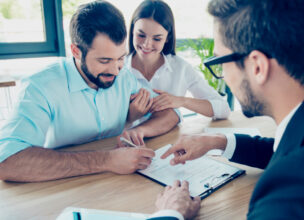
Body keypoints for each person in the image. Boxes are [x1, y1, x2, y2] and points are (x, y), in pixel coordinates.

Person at [150, 0, 304, 219]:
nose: (223, 74)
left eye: (221, 62)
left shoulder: (291, 194)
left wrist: (171, 214)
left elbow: (301, 166)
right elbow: (295, 149)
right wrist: (218, 141)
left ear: (257, 66)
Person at [0, 0, 180, 182]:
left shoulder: (125, 77)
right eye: (104, 61)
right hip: (60, 186)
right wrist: (106, 160)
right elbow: (6, 162)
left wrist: (140, 131)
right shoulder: (40, 86)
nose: (116, 70)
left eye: (120, 58)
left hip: (117, 184)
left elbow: (171, 112)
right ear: (76, 51)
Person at [126, 0, 230, 124]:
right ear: (132, 31)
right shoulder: (118, 68)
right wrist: (129, 116)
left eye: (157, 38)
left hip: (169, 140)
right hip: (125, 141)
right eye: (141, 35)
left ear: (167, 38)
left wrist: (181, 101)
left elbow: (223, 109)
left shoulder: (180, 68)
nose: (147, 44)